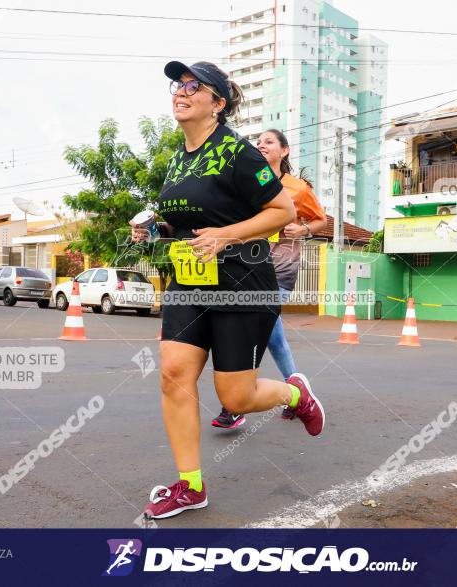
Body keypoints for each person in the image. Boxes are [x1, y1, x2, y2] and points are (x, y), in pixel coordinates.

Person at [130, 61, 326, 520]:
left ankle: (297, 395)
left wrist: (225, 235)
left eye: (193, 85)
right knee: (173, 374)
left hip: (242, 281)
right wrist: (156, 229)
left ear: (217, 103)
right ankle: (189, 485)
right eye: (177, 85)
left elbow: (279, 211)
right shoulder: (178, 158)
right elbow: (186, 222)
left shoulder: (238, 153)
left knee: (235, 397)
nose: (181, 91)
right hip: (189, 281)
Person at [211, 129, 326, 429]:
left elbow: (320, 220)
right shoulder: (247, 182)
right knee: (272, 336)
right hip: (246, 267)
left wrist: (302, 231)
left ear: (284, 151)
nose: (261, 144)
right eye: (258, 142)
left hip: (280, 269)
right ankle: (296, 394)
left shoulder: (297, 188)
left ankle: (235, 405)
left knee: (255, 330)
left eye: (269, 142)